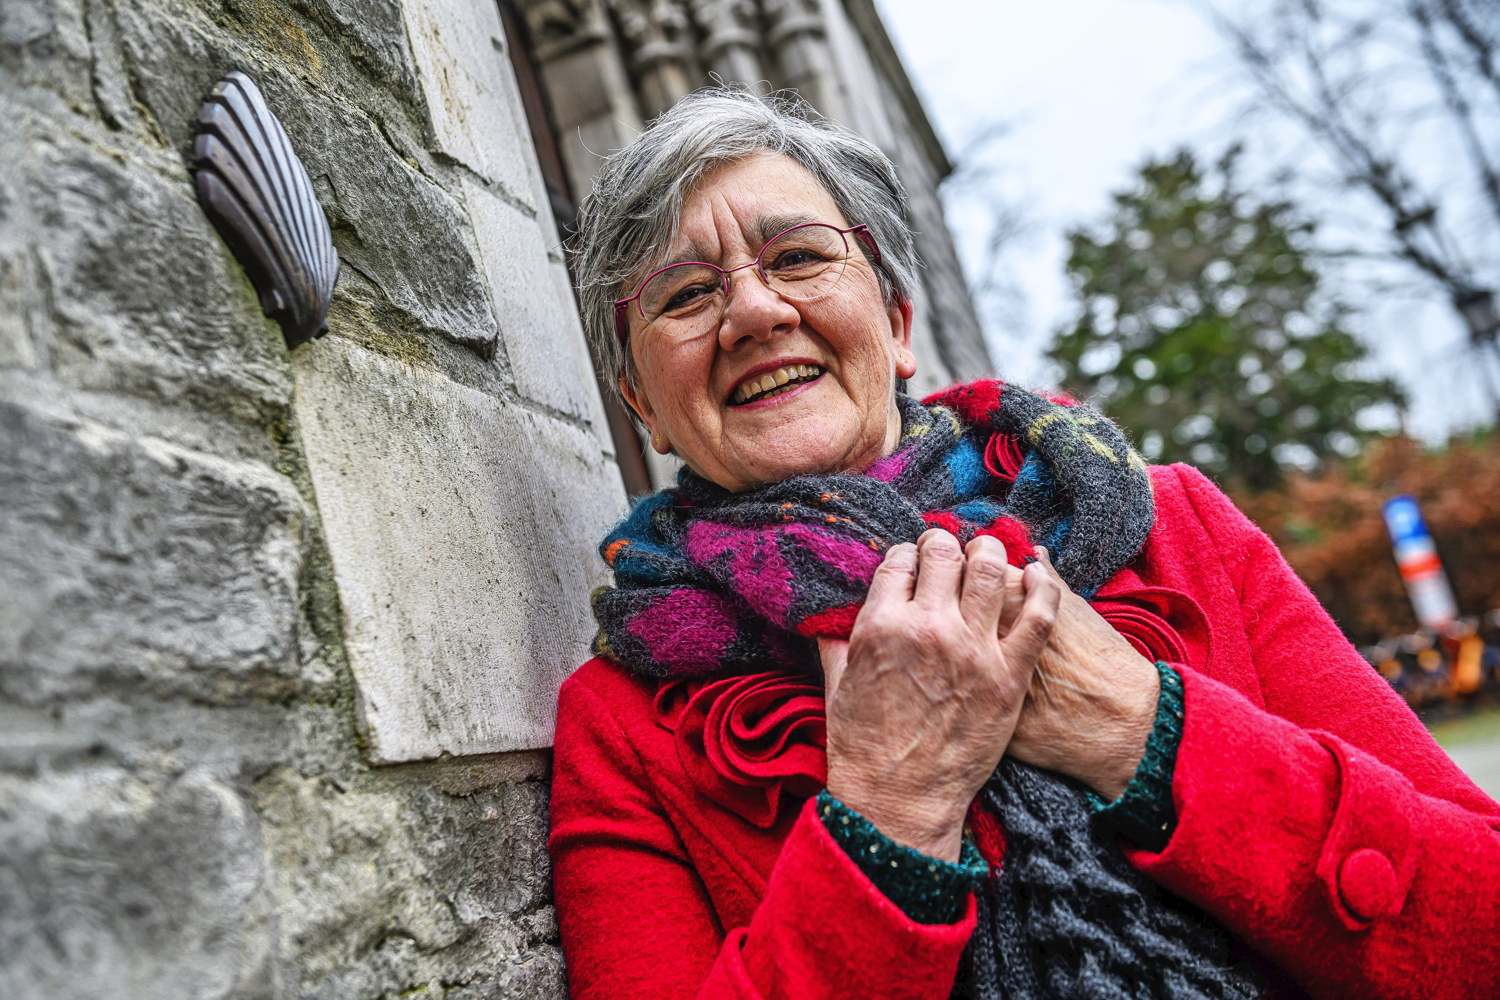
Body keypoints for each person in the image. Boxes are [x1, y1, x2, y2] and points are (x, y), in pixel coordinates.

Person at [547, 89, 1500, 1000]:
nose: (754, 311)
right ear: (642, 406)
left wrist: (1142, 729)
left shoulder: (1177, 527)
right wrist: (891, 810)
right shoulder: (621, 723)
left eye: (797, 257)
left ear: (897, 322)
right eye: (683, 295)